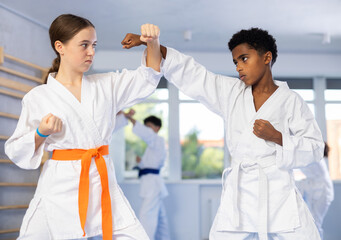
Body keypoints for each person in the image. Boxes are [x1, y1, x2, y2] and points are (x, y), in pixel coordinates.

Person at [121, 28, 324, 240]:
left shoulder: (291, 101)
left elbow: (316, 147)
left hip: (277, 190)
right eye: (236, 62)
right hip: (240, 191)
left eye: (244, 59)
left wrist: (278, 137)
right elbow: (194, 74)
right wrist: (151, 45)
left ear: (267, 57)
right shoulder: (231, 93)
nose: (239, 67)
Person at [5, 14, 163, 240]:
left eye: (94, 45)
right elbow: (16, 150)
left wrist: (152, 42)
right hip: (59, 186)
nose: (92, 52)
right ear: (60, 46)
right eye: (84, 45)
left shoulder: (106, 85)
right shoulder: (38, 97)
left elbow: (148, 78)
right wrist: (41, 132)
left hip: (101, 178)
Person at [118, 110, 170, 240]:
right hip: (152, 184)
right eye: (145, 126)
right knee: (160, 218)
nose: (147, 129)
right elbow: (150, 164)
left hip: (152, 185)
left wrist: (130, 118)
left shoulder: (157, 140)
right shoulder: (153, 145)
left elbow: (147, 135)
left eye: (149, 127)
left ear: (157, 128)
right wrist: (141, 163)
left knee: (147, 217)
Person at [295, 143, 334, 239]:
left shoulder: (315, 157)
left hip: (322, 191)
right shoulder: (313, 157)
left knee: (316, 222)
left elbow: (298, 161)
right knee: (312, 222)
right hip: (315, 190)